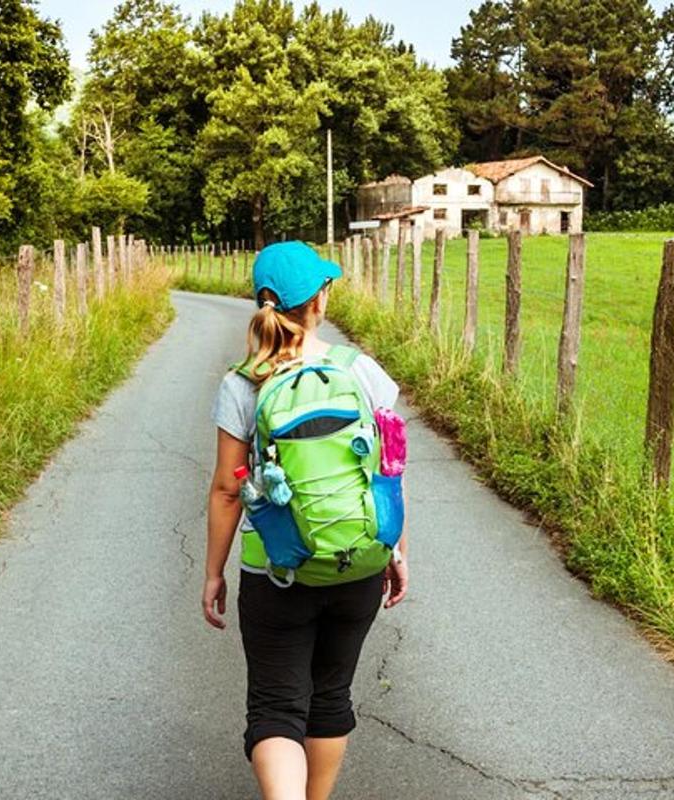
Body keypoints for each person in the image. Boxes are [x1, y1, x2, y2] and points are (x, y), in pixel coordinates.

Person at [204, 241, 408, 800]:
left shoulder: (242, 384)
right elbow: (386, 470)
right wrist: (393, 548)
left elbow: (227, 489)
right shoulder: (359, 369)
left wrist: (214, 573)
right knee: (330, 697)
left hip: (276, 571)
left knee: (276, 706)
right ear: (320, 300)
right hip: (357, 565)